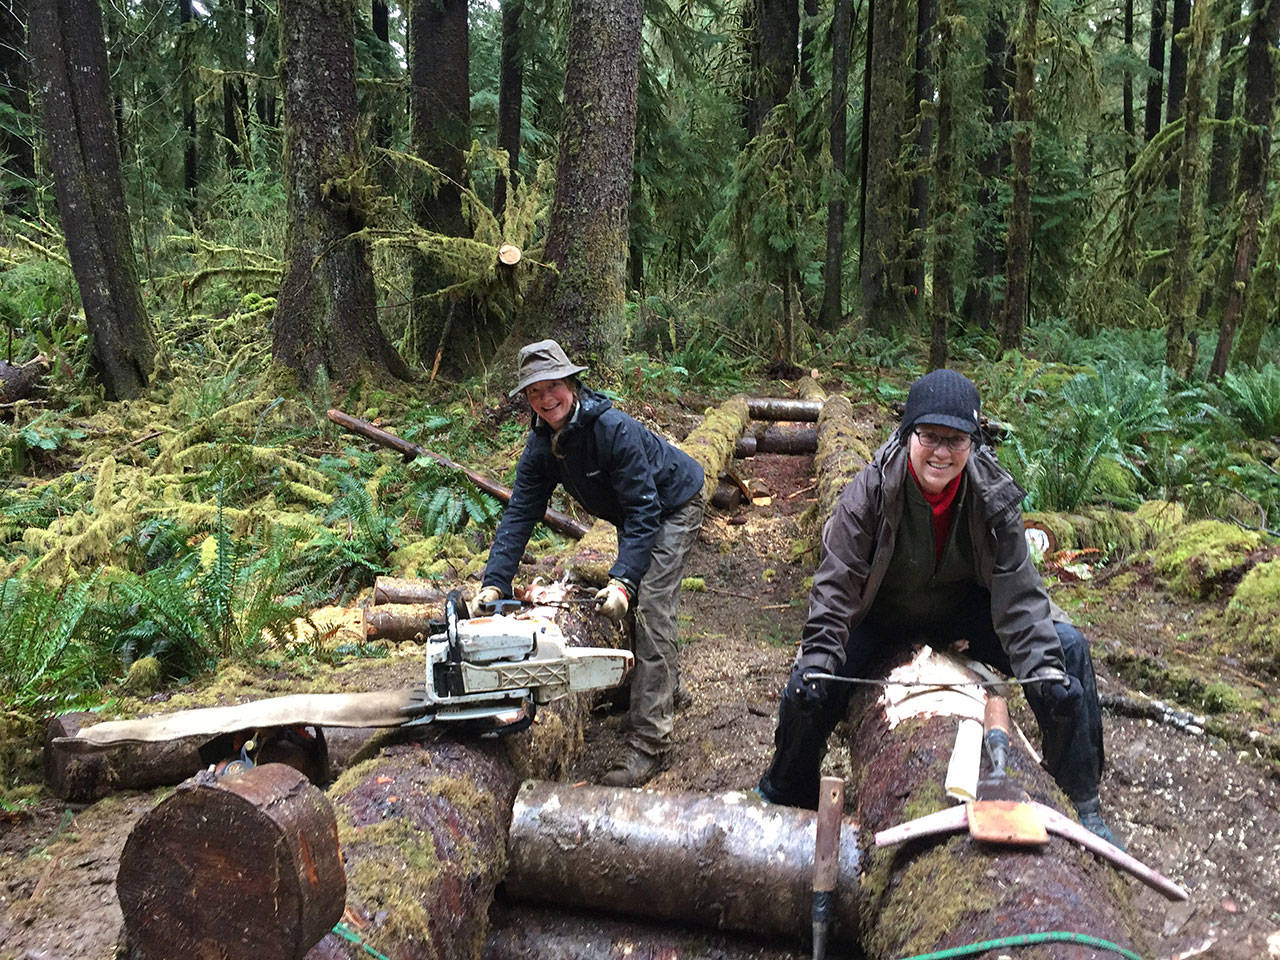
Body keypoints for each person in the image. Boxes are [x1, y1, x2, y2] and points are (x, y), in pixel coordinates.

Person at [757, 369, 1118, 846]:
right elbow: (835, 587)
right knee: (810, 686)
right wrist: (822, 660)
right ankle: (786, 790)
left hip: (960, 611)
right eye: (930, 436)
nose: (942, 452)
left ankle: (1082, 800)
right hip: (880, 616)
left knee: (1066, 651)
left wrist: (1044, 671)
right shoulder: (867, 494)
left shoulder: (994, 497)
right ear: (909, 435)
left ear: (974, 443)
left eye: (956, 440)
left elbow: (1020, 594)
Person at [475, 339, 706, 787]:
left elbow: (646, 512)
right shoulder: (542, 446)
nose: (546, 399)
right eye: (535, 392)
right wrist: (496, 581)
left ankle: (650, 744)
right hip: (634, 510)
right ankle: (663, 690)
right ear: (527, 398)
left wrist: (622, 582)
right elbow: (521, 511)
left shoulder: (612, 430)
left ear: (572, 384)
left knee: (652, 602)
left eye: (554, 386)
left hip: (674, 502)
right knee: (640, 599)